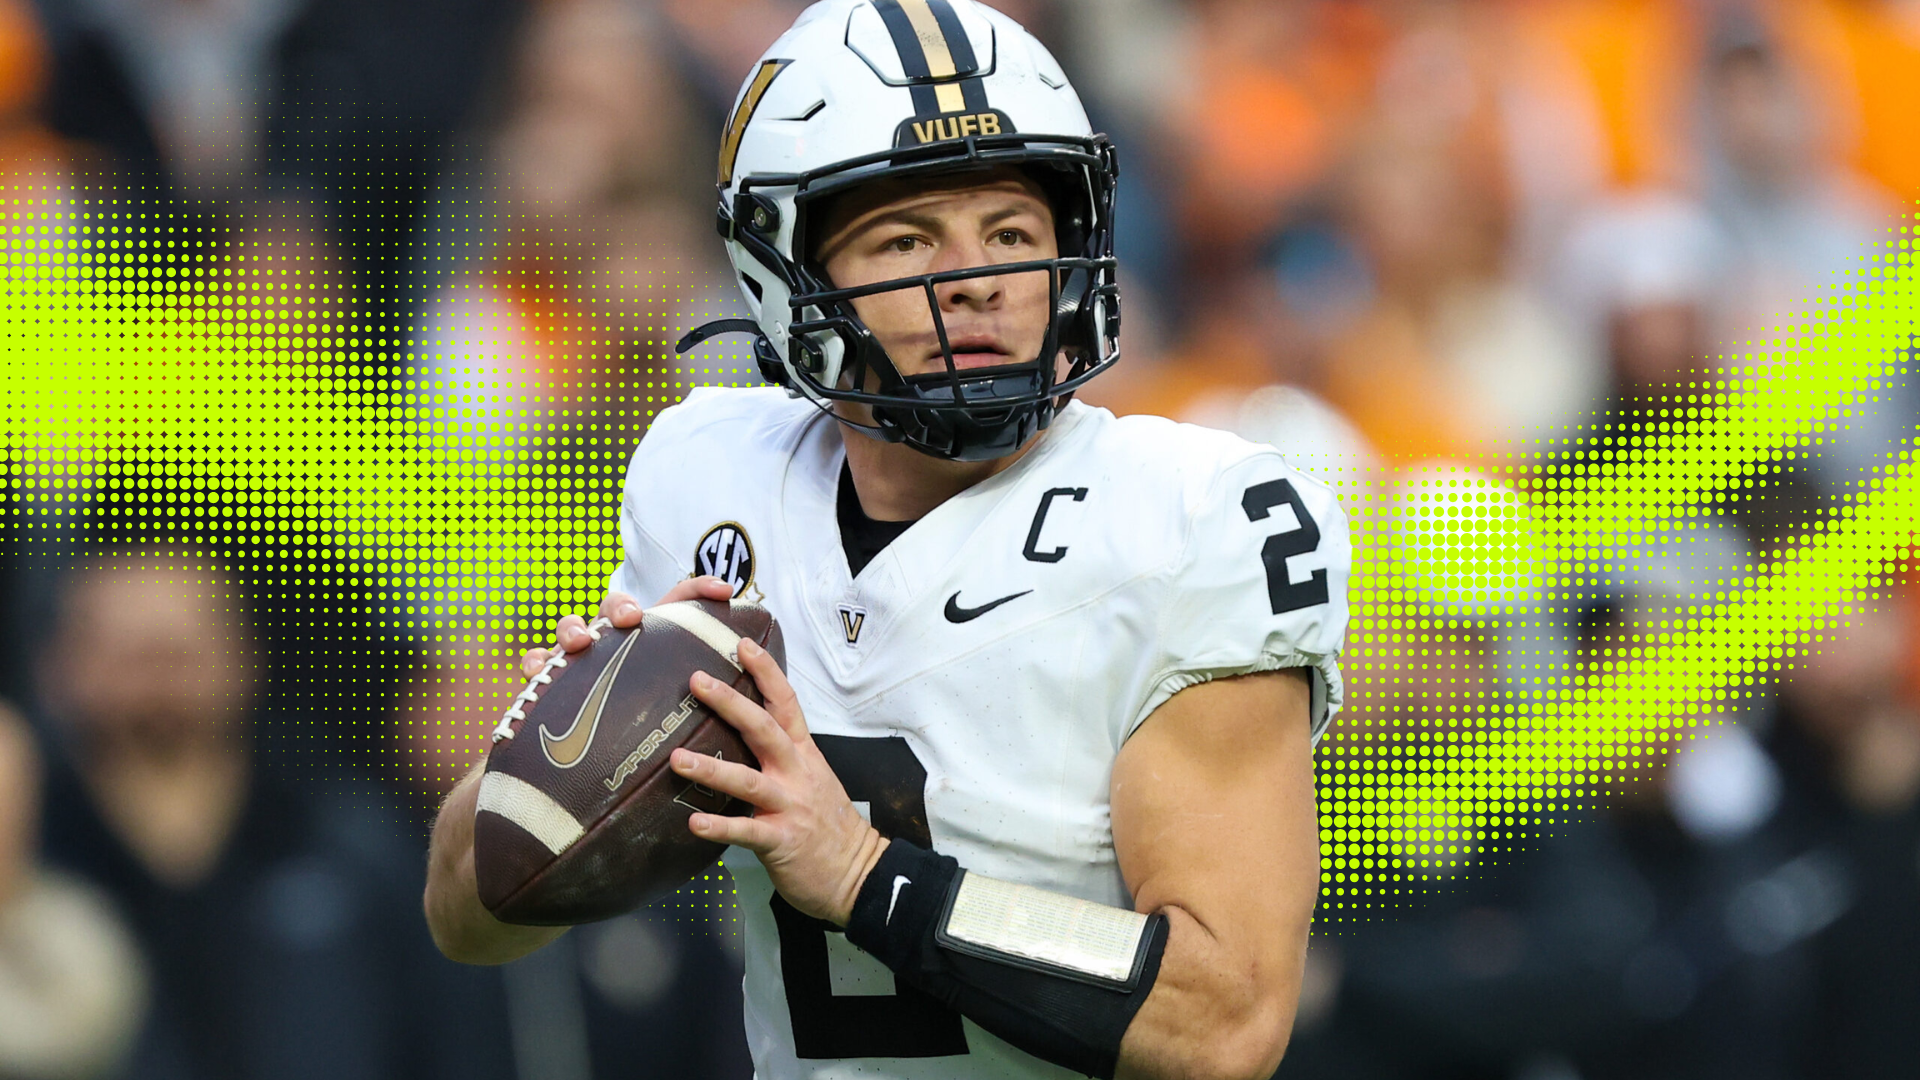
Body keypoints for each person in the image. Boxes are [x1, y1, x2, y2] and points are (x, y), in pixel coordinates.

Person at [425, 3, 1352, 1079]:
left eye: (1012, 232)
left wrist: (867, 877)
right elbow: (463, 916)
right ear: (790, 273)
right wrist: (561, 766)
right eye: (909, 239)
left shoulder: (1190, 518)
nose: (977, 277)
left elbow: (1226, 1018)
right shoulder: (711, 477)